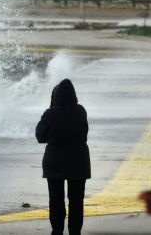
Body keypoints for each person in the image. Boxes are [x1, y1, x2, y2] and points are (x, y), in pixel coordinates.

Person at [35, 79, 91, 235]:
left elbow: (40, 136)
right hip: (79, 162)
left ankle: (57, 231)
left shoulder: (50, 113)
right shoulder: (81, 111)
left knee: (56, 200)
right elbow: (84, 134)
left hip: (55, 162)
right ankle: (75, 232)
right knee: (76, 201)